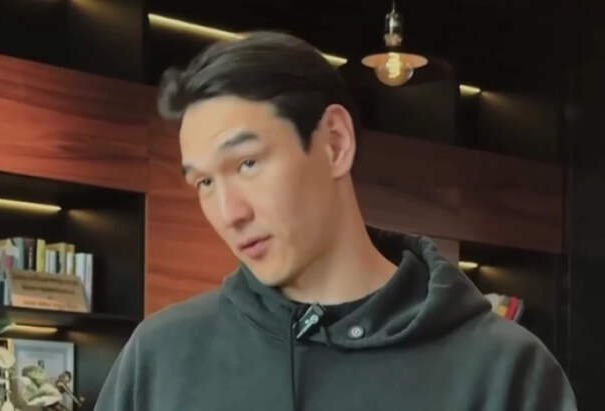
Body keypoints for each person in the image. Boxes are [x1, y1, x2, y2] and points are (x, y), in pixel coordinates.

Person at [94, 31, 576, 411]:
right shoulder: (159, 357)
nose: (229, 213)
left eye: (248, 163)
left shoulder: (505, 370)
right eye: (204, 183)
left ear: (334, 143)